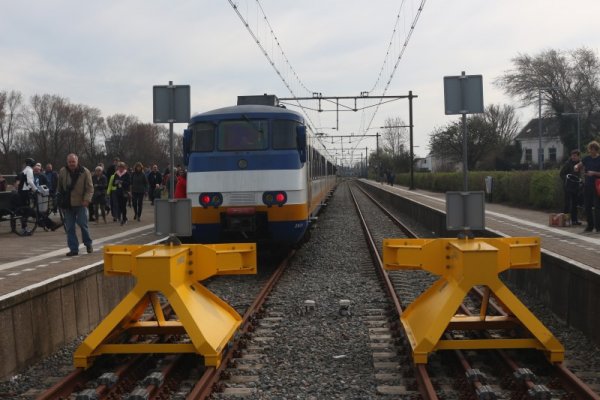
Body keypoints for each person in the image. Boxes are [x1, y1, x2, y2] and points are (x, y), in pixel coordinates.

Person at [57, 153, 94, 256]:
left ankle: (88, 244)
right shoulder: (63, 171)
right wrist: (59, 200)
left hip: (81, 203)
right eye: (69, 162)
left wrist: (87, 199)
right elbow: (59, 188)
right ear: (67, 162)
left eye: (73, 161)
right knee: (69, 228)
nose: (71, 163)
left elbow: (90, 188)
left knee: (83, 224)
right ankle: (74, 249)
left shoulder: (85, 172)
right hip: (68, 204)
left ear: (77, 161)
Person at [574, 141, 600, 233]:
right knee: (587, 206)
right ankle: (590, 226)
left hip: (597, 186)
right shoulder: (587, 159)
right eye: (590, 149)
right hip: (587, 185)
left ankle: (598, 227)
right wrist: (576, 166)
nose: (591, 151)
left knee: (597, 207)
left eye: (593, 150)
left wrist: (593, 173)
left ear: (596, 150)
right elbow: (579, 164)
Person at [16, 158, 38, 236]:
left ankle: (24, 227)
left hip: (21, 191)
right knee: (26, 210)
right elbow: (30, 181)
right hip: (25, 192)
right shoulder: (29, 170)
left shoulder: (24, 170)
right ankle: (24, 228)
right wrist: (36, 189)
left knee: (23, 210)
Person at [559, 149, 582, 226]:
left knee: (575, 204)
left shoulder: (580, 164)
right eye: (572, 156)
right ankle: (565, 220)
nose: (573, 157)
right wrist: (567, 178)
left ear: (579, 156)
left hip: (576, 186)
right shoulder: (568, 164)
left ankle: (574, 220)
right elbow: (561, 174)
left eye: (575, 156)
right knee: (567, 204)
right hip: (568, 186)